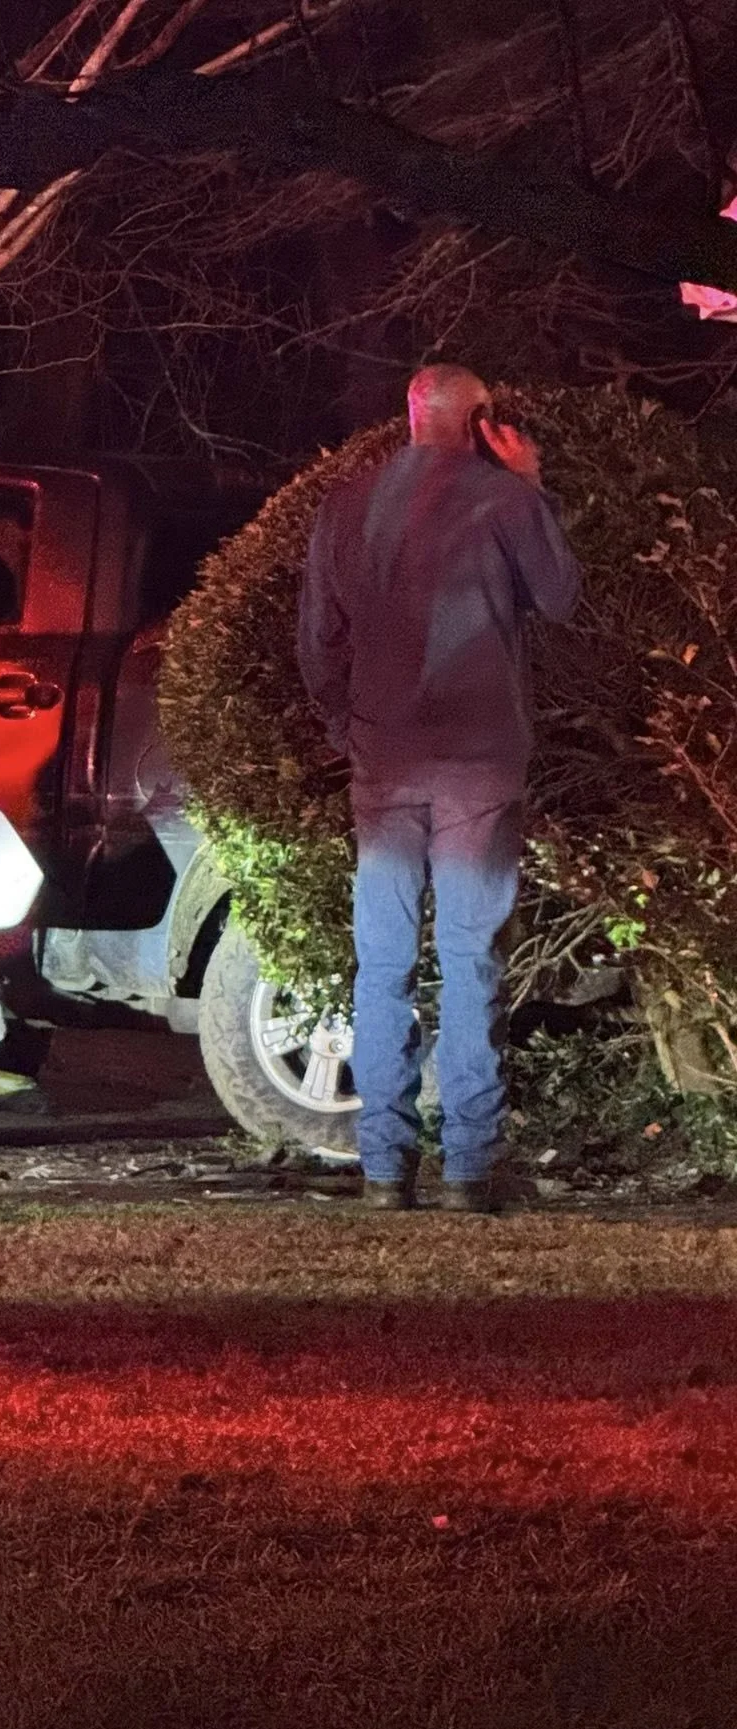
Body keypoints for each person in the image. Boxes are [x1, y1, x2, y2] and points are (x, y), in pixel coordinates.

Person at [296, 364, 581, 1211]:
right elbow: (562, 599)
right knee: (469, 958)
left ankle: (385, 1167)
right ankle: (470, 1165)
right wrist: (530, 481)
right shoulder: (505, 502)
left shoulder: (347, 506)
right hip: (480, 762)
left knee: (380, 961)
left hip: (385, 763)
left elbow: (318, 642)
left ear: (410, 417)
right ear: (482, 418)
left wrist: (348, 730)